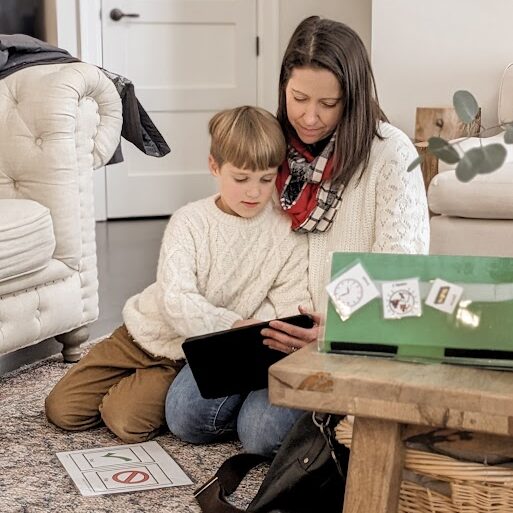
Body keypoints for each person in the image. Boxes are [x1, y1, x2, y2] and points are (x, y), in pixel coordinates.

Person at [166, 16, 429, 456]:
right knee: (186, 416)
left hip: (339, 333)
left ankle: (325, 417)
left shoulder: (392, 154)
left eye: (329, 103)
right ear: (283, 86)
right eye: (299, 98)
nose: (310, 117)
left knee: (260, 432)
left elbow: (402, 275)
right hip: (267, 326)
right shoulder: (273, 139)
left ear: (355, 96)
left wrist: (339, 329)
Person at [45, 105, 311, 444]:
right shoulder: (190, 221)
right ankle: (132, 377)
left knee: (125, 420)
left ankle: (144, 386)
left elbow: (287, 303)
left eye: (266, 179)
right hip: (143, 331)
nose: (254, 192)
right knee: (61, 409)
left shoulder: (284, 232)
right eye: (241, 178)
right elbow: (176, 298)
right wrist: (231, 325)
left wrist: (247, 330)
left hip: (183, 356)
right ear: (214, 166)